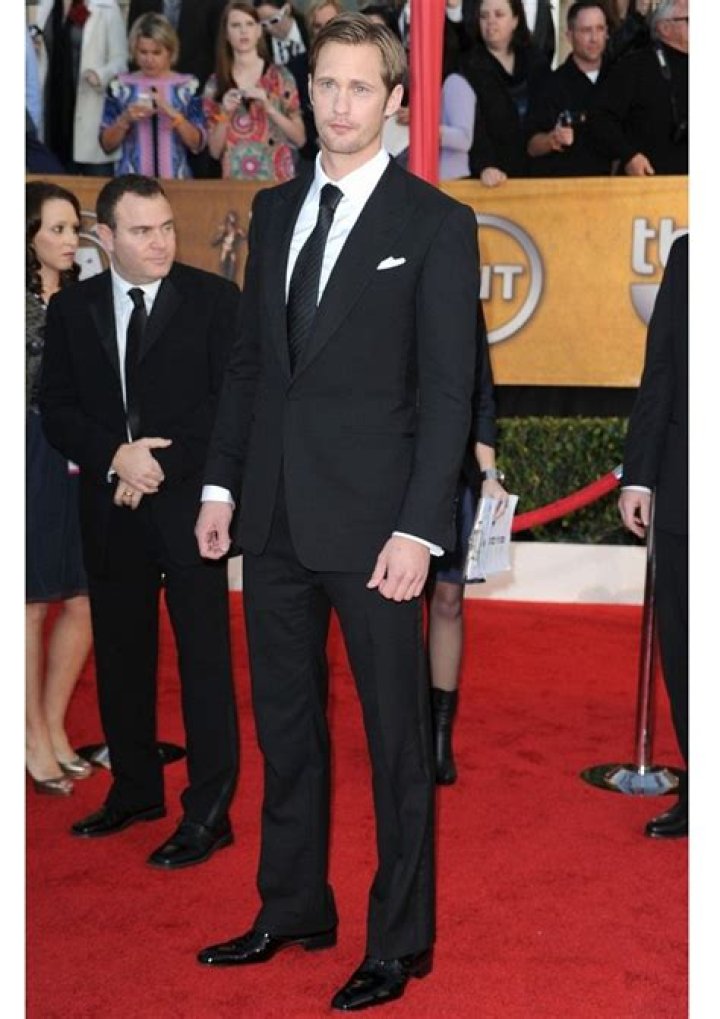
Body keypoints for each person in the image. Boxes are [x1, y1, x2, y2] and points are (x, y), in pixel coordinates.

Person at [194, 13, 477, 1011]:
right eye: (326, 85)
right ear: (305, 90)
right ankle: (293, 904)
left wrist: (419, 529)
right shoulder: (274, 210)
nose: (341, 105)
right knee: (286, 727)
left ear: (396, 102)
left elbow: (448, 393)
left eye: (361, 87)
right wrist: (221, 485)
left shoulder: (434, 223)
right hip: (272, 516)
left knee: (396, 743)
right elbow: (249, 366)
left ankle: (398, 940)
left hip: (377, 531)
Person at [39, 175, 241, 869]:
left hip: (190, 510)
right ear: (105, 237)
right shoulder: (74, 310)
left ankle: (209, 813)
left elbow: (229, 406)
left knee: (205, 664)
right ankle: (134, 790)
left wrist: (155, 464)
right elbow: (58, 409)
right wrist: (116, 456)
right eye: (142, 231)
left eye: (166, 228)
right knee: (122, 659)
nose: (160, 242)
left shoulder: (214, 300)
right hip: (111, 510)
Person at [618, 233, 688, 840]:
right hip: (687, 486)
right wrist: (638, 475)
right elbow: (660, 369)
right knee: (686, 648)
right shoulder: (690, 256)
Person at [26, 181, 94, 798]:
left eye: (75, 228)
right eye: (57, 229)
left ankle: (51, 724)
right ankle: (30, 738)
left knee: (84, 597)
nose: (71, 239)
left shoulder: (83, 297)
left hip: (80, 450)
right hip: (27, 449)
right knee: (30, 600)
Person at [428, 319, 508, 785]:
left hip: (454, 474)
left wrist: (489, 474)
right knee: (392, 605)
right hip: (390, 469)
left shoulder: (461, 303)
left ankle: (439, 735)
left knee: (448, 601)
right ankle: (404, 726)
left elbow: (482, 395)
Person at [203, 2, 305, 182]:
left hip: (277, 181)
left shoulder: (280, 77)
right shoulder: (215, 84)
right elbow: (214, 151)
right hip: (234, 183)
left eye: (250, 24)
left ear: (259, 30)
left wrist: (271, 109)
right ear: (226, 34)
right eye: (236, 25)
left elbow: (300, 139)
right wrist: (225, 114)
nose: (243, 31)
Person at [99, 13, 206, 178]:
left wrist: (174, 114)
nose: (149, 59)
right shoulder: (119, 86)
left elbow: (198, 143)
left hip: (177, 182)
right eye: (143, 52)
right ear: (134, 50)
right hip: (131, 183)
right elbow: (106, 145)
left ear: (170, 51)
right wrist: (125, 120)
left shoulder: (188, 86)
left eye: (156, 53)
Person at [588, 0, 688, 176]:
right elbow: (601, 118)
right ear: (664, 28)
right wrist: (628, 155)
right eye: (689, 20)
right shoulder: (634, 66)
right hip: (646, 181)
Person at [461, 0, 550, 186]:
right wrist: (485, 166)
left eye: (499, 14)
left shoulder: (536, 61)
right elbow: (472, 124)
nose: (491, 21)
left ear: (515, 20)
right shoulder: (468, 67)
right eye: (484, 16)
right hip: (491, 176)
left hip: (539, 173)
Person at [36, 0, 128, 175]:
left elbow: (120, 60)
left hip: (90, 107)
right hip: (54, 114)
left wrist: (100, 75)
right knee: (56, 183)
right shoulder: (47, 6)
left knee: (96, 183)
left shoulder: (106, 7)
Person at [526, 0, 612, 177]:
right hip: (567, 185)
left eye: (600, 29)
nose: (594, 38)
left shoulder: (621, 78)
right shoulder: (550, 84)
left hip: (620, 187)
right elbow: (531, 146)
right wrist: (552, 139)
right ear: (569, 35)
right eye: (586, 30)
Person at [253, 1, 316, 161]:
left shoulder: (311, 29)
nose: (269, 28)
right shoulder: (261, 47)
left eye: (273, 20)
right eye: (263, 24)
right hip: (287, 131)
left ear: (287, 9)